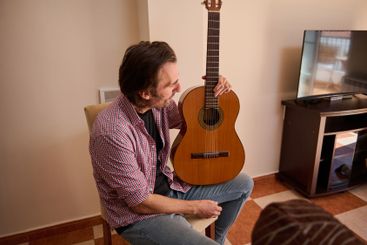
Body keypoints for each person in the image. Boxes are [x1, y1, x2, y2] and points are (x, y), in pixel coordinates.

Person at [89, 41, 254, 245]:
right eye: (170, 85)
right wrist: (194, 207)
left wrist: (215, 94)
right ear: (145, 93)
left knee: (244, 183)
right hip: (138, 215)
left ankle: (217, 240)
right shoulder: (111, 134)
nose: (179, 88)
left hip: (169, 187)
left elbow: (197, 123)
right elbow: (140, 203)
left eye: (177, 79)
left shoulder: (159, 105)